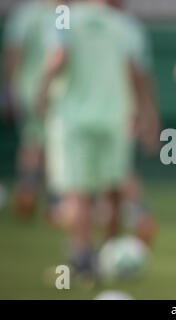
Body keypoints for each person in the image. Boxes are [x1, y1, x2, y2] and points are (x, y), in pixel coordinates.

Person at [37, 0, 160, 277]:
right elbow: (137, 73)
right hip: (115, 117)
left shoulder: (64, 18)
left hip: (71, 119)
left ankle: (82, 259)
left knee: (78, 191)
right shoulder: (125, 25)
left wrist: (42, 89)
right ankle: (109, 253)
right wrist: (148, 114)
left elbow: (58, 57)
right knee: (113, 189)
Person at [2, 0, 67, 217]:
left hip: (28, 88)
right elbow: (62, 53)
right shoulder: (62, 14)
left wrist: (11, 86)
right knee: (51, 145)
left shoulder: (24, 14)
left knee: (32, 141)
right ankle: (54, 200)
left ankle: (28, 191)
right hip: (53, 90)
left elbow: (13, 51)